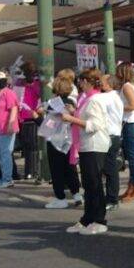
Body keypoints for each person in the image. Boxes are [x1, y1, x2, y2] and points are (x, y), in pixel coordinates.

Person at [61, 69, 112, 235]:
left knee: (94, 183)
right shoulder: (88, 99)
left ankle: (99, 219)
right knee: (89, 184)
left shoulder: (94, 100)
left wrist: (71, 118)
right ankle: (88, 218)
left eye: (81, 80)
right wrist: (73, 113)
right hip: (87, 144)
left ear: (87, 81)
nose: (79, 84)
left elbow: (94, 125)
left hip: (94, 144)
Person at [43, 72, 82, 210]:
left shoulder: (52, 103)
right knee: (70, 167)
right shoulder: (72, 102)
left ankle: (60, 198)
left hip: (55, 140)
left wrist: (38, 117)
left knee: (57, 170)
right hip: (69, 138)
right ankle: (76, 194)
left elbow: (50, 125)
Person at [117, 63, 134, 202]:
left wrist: (118, 107)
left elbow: (133, 105)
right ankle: (132, 186)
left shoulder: (127, 86)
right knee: (132, 157)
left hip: (131, 122)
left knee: (133, 158)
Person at [100, 75, 124, 210]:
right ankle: (111, 197)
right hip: (113, 134)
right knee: (110, 168)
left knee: (110, 169)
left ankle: (112, 199)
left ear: (109, 84)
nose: (100, 83)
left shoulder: (107, 97)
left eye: (102, 82)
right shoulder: (115, 97)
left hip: (110, 135)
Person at [17, 61, 43, 180]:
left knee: (34, 147)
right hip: (23, 118)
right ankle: (29, 171)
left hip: (34, 118)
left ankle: (34, 171)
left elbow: (40, 97)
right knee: (27, 147)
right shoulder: (20, 85)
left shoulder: (37, 85)